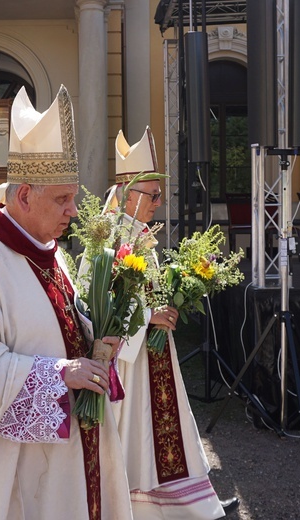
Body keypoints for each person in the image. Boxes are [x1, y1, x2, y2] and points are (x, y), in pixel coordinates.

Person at [0, 85, 132, 520]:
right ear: (23, 196)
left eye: (73, 197)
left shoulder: (53, 252)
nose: (74, 210)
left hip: (74, 446)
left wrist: (97, 338)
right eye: (63, 198)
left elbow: (61, 323)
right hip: (20, 462)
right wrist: (59, 374)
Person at [107, 127, 238, 519]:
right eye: (153, 195)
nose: (158, 203)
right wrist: (148, 316)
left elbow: (146, 289)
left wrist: (174, 294)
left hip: (154, 357)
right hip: (129, 365)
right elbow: (96, 305)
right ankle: (139, 507)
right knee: (139, 437)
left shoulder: (142, 233)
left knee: (172, 429)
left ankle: (195, 504)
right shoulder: (108, 237)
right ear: (128, 195)